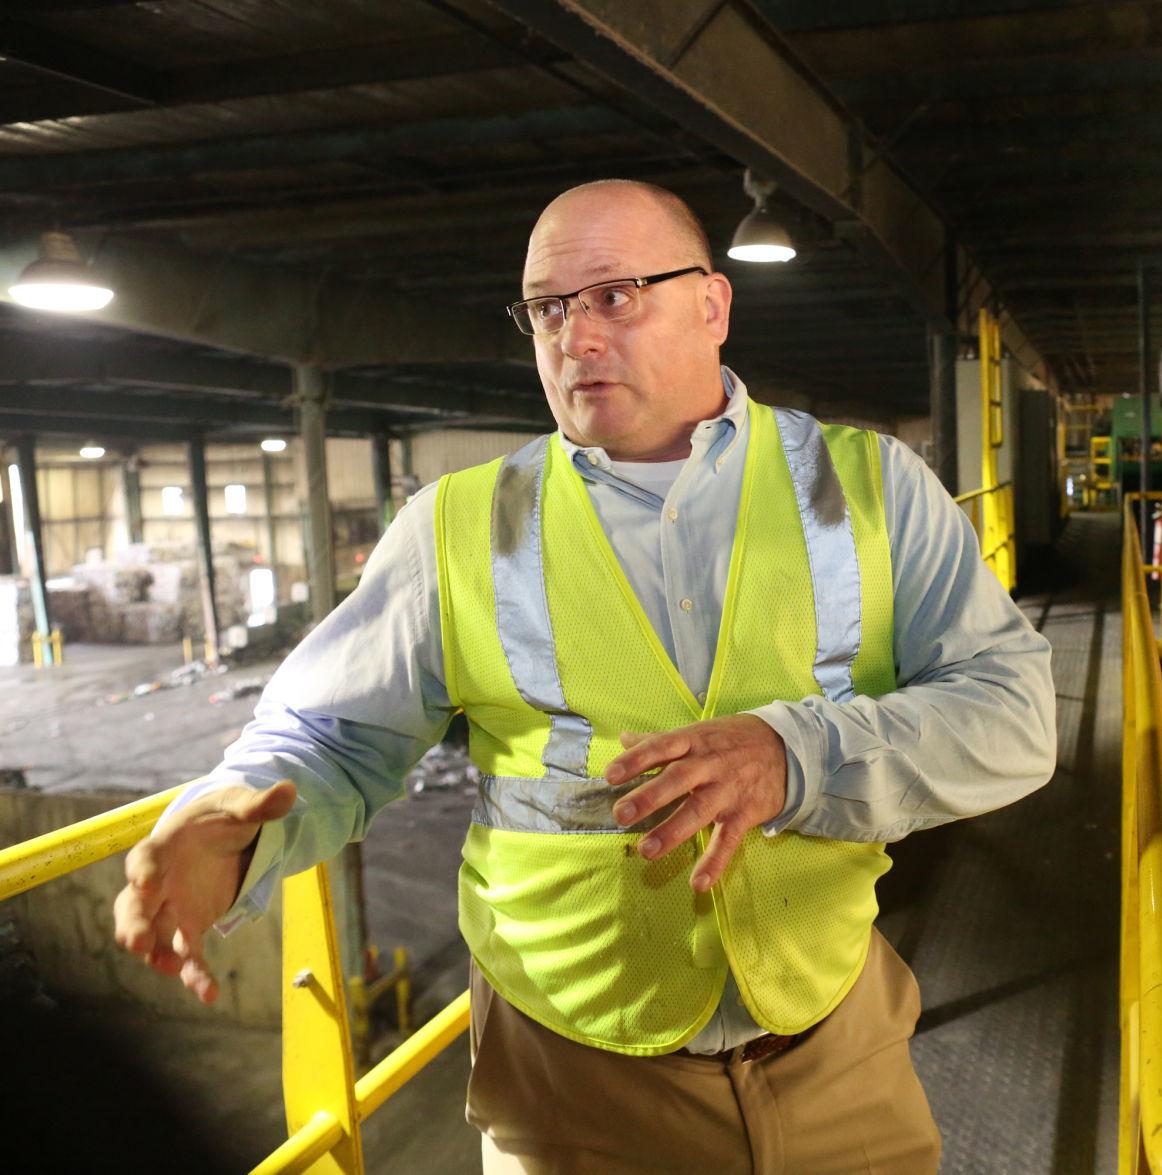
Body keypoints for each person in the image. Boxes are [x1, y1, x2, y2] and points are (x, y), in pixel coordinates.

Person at [112, 178, 1056, 1174]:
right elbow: (331, 736)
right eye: (547, 307)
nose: (574, 335)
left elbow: (1015, 709)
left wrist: (796, 753)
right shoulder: (456, 526)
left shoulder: (871, 486)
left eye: (614, 295)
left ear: (712, 305)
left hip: (835, 1044)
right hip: (574, 1083)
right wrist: (237, 818)